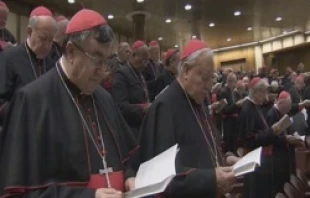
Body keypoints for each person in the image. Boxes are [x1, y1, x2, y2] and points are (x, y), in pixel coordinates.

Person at [0, 9, 138, 198]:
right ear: (71, 51)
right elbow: (18, 192)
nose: (102, 71)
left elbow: (126, 158)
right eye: (97, 59)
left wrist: (130, 177)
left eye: (107, 61)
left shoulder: (104, 98)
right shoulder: (31, 101)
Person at [139, 39, 237, 198]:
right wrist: (211, 179)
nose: (209, 86)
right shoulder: (164, 107)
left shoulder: (198, 100)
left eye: (211, 78)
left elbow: (207, 149)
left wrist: (226, 159)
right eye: (204, 78)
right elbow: (163, 177)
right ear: (185, 71)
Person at [237, 77, 284, 198]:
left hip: (261, 160)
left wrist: (272, 131)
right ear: (256, 93)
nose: (266, 96)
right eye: (264, 93)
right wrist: (271, 132)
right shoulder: (247, 109)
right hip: (254, 163)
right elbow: (249, 140)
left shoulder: (255, 106)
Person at [0, 6, 56, 102]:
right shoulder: (8, 58)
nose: (47, 46)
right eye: (43, 38)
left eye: (50, 41)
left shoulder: (52, 65)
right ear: (30, 31)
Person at [266, 91, 303, 195]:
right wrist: (286, 139)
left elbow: (288, 129)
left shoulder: (283, 112)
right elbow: (271, 139)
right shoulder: (271, 115)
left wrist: (295, 137)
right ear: (281, 104)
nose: (289, 109)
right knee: (279, 188)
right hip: (277, 158)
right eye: (287, 107)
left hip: (286, 155)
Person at [112, 40, 150, 137]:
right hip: (130, 131)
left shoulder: (139, 74)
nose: (145, 65)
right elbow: (120, 107)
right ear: (134, 56)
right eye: (143, 60)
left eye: (147, 61)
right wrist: (143, 108)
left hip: (142, 127)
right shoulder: (121, 74)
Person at [218, 73, 243, 153]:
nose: (236, 84)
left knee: (235, 144)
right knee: (229, 145)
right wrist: (236, 105)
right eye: (235, 82)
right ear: (230, 81)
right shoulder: (223, 92)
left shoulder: (233, 92)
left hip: (234, 122)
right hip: (228, 123)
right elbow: (225, 110)